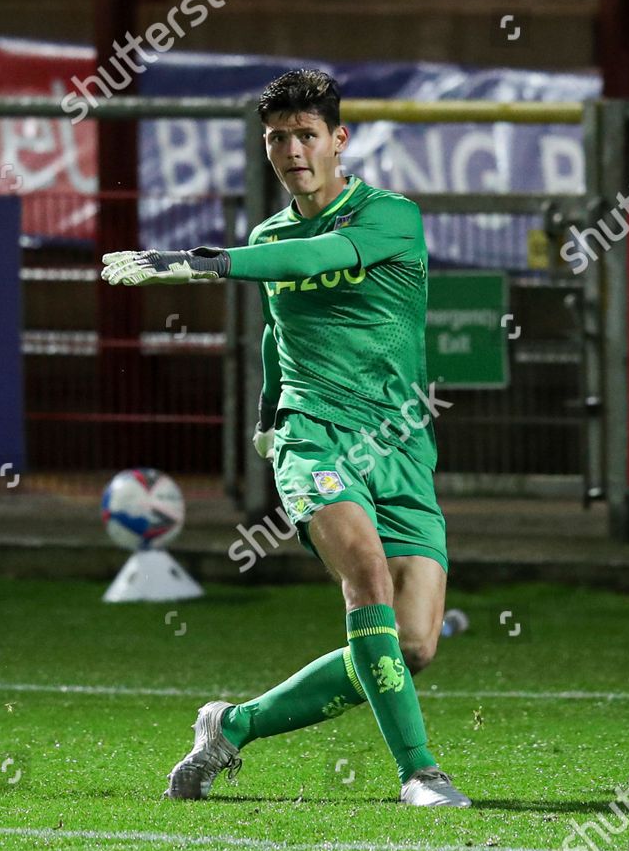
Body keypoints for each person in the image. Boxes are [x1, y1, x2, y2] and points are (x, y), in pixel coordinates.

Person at [99, 68, 469, 807]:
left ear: (339, 140)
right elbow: (277, 336)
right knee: (363, 574)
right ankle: (420, 772)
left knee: (415, 644)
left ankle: (232, 724)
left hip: (399, 446)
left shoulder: (391, 217)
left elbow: (315, 258)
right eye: (278, 137)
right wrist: (272, 420)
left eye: (306, 134)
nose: (293, 149)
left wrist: (206, 262)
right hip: (315, 440)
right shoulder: (270, 235)